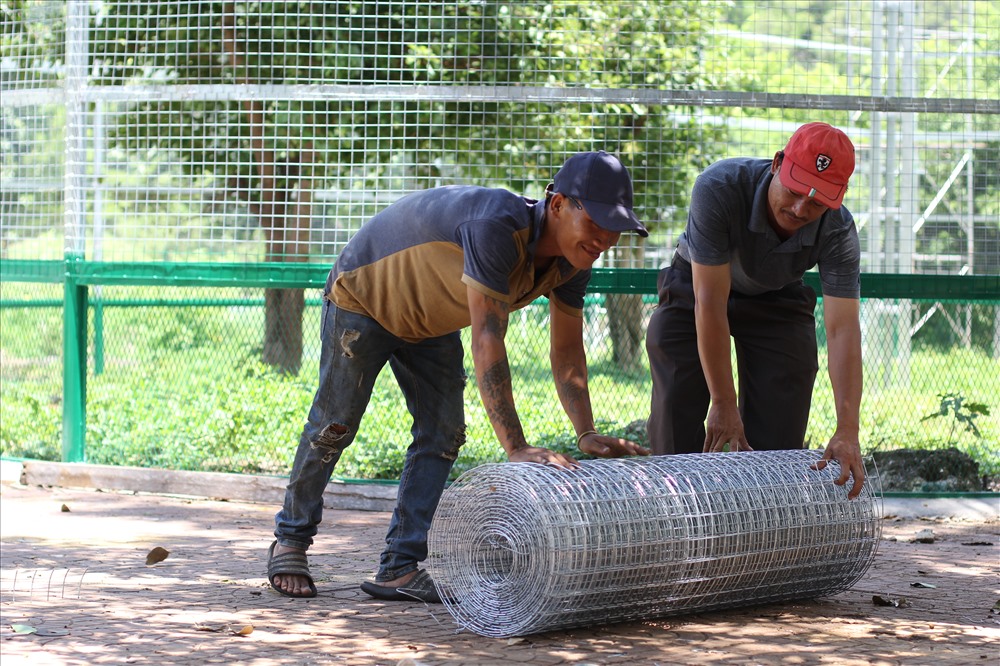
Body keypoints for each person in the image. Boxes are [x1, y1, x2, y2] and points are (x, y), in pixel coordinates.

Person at [268, 150, 652, 600]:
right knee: (335, 424)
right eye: (598, 222)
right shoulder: (496, 227)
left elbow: (567, 350)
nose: (605, 238)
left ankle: (399, 566)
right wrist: (517, 446)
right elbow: (488, 340)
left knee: (444, 432)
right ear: (558, 204)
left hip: (431, 319)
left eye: (616, 228)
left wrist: (585, 432)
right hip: (365, 298)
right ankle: (290, 540)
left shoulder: (572, 261)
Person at [644, 122, 866, 499]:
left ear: (838, 198)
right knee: (677, 384)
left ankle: (761, 518)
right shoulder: (719, 187)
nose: (799, 209)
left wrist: (848, 428)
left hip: (776, 294)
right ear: (778, 163)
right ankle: (673, 509)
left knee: (786, 396)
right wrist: (723, 402)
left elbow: (843, 329)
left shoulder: (838, 229)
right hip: (698, 288)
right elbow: (710, 303)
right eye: (795, 190)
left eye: (817, 202)